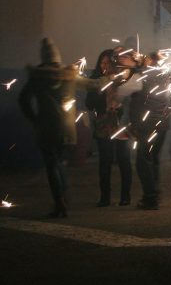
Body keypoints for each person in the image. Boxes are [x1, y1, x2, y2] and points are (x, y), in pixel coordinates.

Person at [18, 38, 107, 217]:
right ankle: (63, 198)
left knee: (52, 165)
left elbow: (23, 100)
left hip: (45, 127)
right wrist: (111, 77)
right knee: (58, 162)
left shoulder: (37, 78)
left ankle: (60, 202)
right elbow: (93, 85)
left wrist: (33, 118)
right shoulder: (70, 76)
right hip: (66, 129)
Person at [128, 51, 171, 210]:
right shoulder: (164, 74)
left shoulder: (141, 76)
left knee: (143, 161)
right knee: (152, 159)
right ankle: (154, 194)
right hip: (161, 124)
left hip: (147, 125)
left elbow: (123, 91)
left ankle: (150, 197)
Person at [85, 49, 132, 207]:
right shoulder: (96, 80)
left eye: (108, 63)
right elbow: (89, 103)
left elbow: (130, 99)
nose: (104, 66)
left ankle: (125, 196)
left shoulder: (123, 78)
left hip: (120, 123)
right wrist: (98, 95)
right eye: (102, 63)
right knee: (104, 161)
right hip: (103, 123)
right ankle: (105, 197)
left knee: (123, 159)